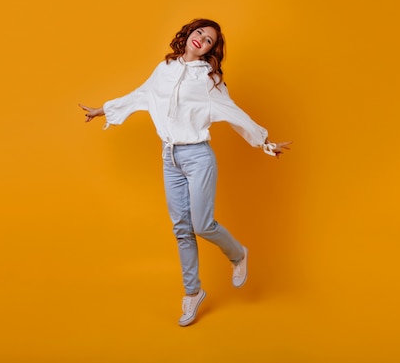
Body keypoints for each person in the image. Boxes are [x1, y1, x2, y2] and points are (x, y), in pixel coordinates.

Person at [79, 19, 292, 327]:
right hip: (169, 157)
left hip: (198, 157)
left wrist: (263, 141)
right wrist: (104, 109)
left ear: (211, 50)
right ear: (189, 34)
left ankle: (237, 254)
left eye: (208, 40)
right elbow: (141, 95)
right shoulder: (164, 68)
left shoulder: (208, 79)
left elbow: (233, 112)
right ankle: (192, 293)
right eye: (199, 33)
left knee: (202, 224)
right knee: (181, 229)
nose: (202, 40)